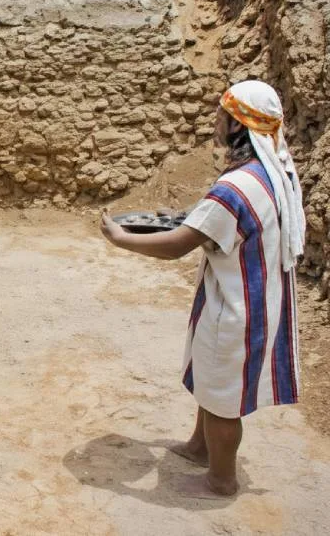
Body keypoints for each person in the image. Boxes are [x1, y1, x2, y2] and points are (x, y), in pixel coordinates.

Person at [100, 80, 305, 497]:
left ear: (237, 126)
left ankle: (221, 479)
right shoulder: (273, 171)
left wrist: (121, 238)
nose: (215, 122)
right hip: (255, 295)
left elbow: (178, 245)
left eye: (222, 116)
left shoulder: (236, 187)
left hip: (238, 306)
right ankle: (198, 447)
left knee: (223, 397)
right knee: (214, 379)